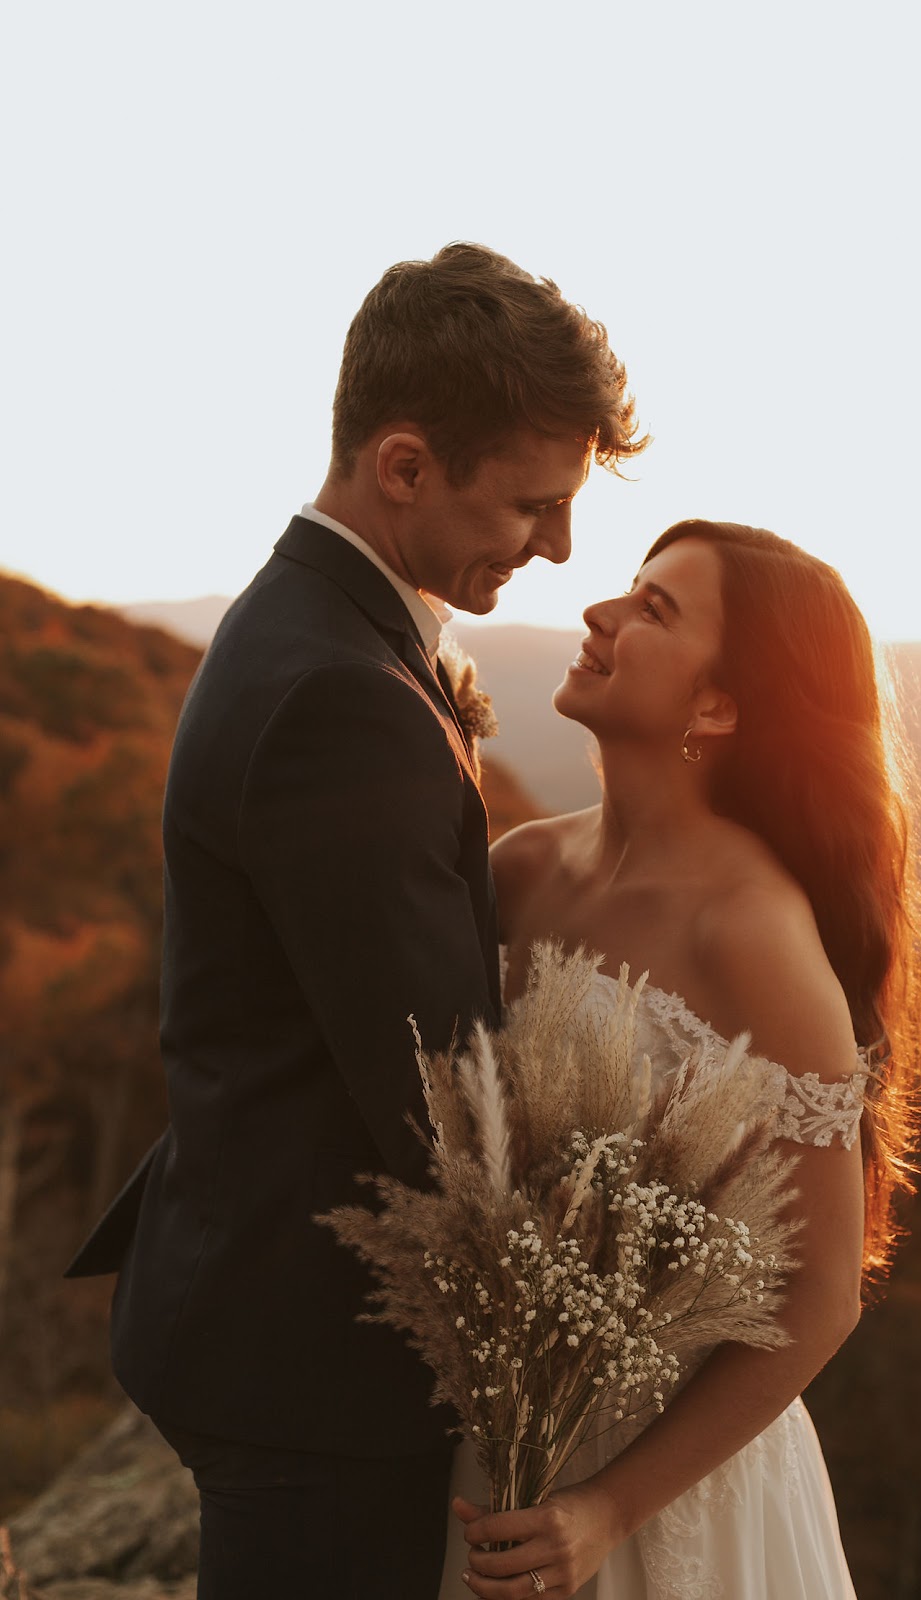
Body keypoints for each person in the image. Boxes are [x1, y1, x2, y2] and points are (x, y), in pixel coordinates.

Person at [64, 242, 646, 1600]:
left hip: (266, 1306)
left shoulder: (317, 632)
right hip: (312, 1360)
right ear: (402, 467)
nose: (556, 546)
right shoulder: (339, 697)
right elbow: (444, 1099)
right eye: (532, 504)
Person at [440, 520, 921, 1600]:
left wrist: (604, 1507)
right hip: (491, 1453)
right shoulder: (519, 868)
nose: (598, 614)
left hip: (665, 1498)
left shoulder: (752, 930)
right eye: (626, 592)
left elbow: (819, 1295)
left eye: (653, 610)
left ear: (716, 707)